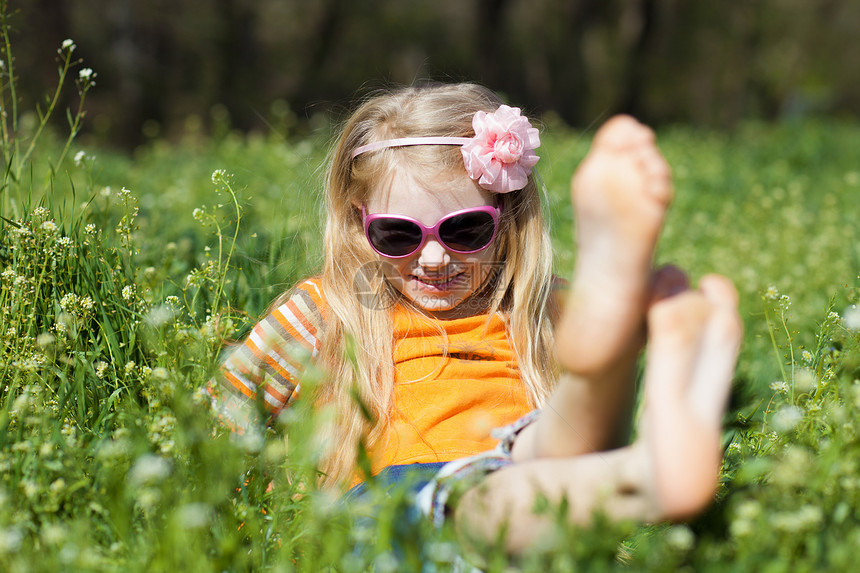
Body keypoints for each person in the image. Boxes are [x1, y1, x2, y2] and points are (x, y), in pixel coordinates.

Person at [208, 82, 742, 549]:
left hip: (523, 507)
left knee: (535, 455)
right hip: (375, 521)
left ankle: (624, 404)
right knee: (474, 495)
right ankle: (642, 474)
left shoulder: (530, 307)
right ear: (357, 225)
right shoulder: (328, 310)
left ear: (507, 218)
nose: (435, 259)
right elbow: (214, 430)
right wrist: (258, 532)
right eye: (398, 235)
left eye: (465, 231)